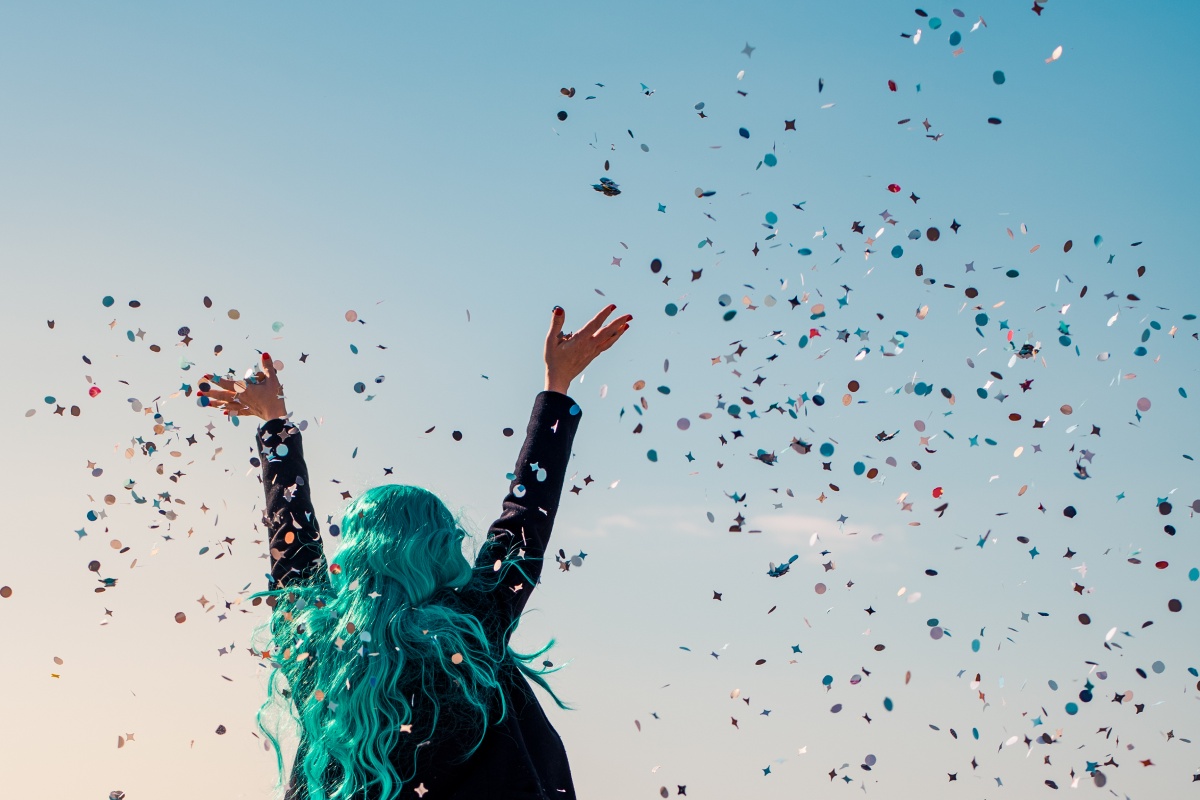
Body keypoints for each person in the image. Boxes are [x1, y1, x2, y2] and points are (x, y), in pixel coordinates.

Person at [196, 304, 632, 800]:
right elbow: (524, 519)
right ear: (441, 547)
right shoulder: (471, 628)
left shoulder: (316, 645)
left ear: (354, 558)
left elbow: (292, 547)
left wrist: (273, 420)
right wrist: (558, 384)